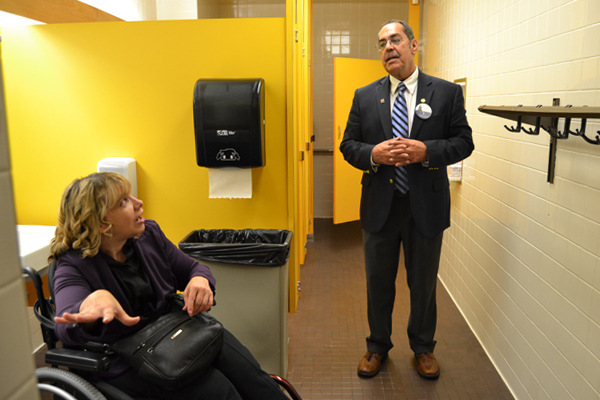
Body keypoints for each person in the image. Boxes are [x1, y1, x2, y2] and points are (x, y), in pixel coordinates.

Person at [49, 172, 288, 400]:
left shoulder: (148, 235)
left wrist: (199, 280)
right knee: (219, 390)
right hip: (129, 359)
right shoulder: (73, 266)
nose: (138, 202)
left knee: (252, 378)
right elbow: (66, 325)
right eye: (124, 201)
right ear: (102, 223)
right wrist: (92, 306)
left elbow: (192, 269)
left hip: (177, 332)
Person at [339, 20, 474, 380]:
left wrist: (425, 150)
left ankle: (423, 348)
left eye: (395, 40)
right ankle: (376, 346)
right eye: (382, 43)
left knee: (424, 282)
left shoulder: (445, 94)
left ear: (414, 46)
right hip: (380, 205)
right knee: (378, 282)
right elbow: (348, 146)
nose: (388, 48)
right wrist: (374, 155)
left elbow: (464, 142)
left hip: (425, 206)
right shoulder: (365, 96)